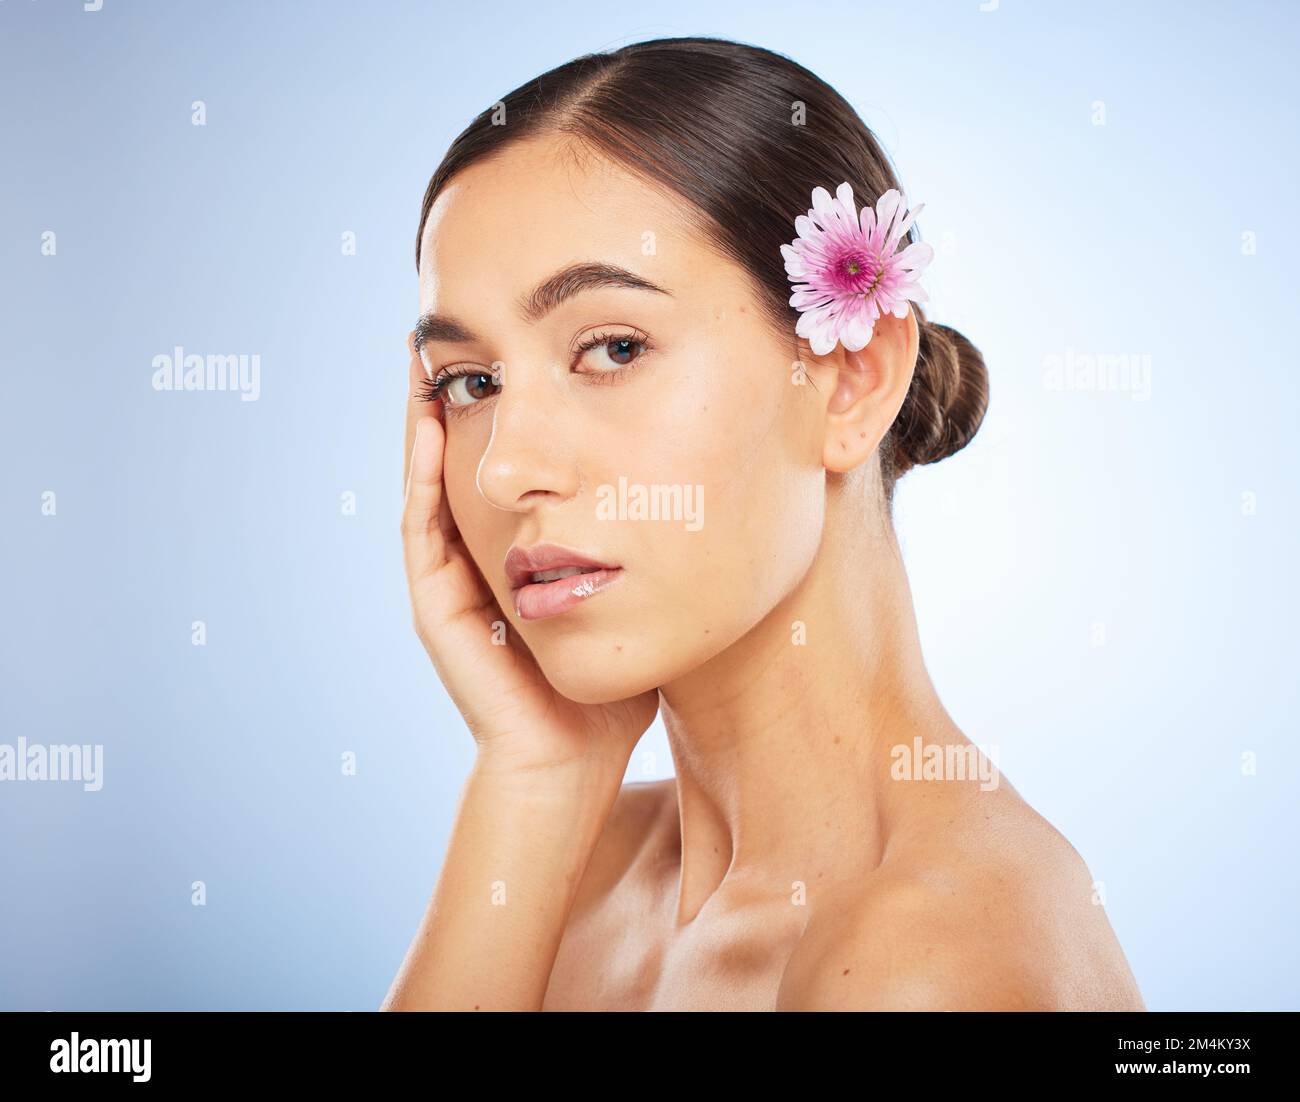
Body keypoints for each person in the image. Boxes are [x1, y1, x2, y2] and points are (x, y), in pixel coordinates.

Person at [381, 36, 1146, 1011]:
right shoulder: (576, 871)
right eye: (471, 382)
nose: (503, 468)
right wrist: (534, 777)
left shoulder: (926, 960)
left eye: (612, 347)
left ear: (850, 376)